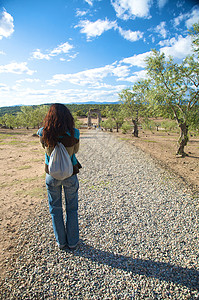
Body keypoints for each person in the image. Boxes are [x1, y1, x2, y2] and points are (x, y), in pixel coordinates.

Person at [37, 103, 81, 251]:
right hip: (70, 174)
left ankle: (61, 242)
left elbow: (44, 148)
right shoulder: (74, 133)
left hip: (51, 175)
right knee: (72, 208)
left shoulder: (43, 133)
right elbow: (75, 150)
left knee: (55, 209)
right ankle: (73, 242)